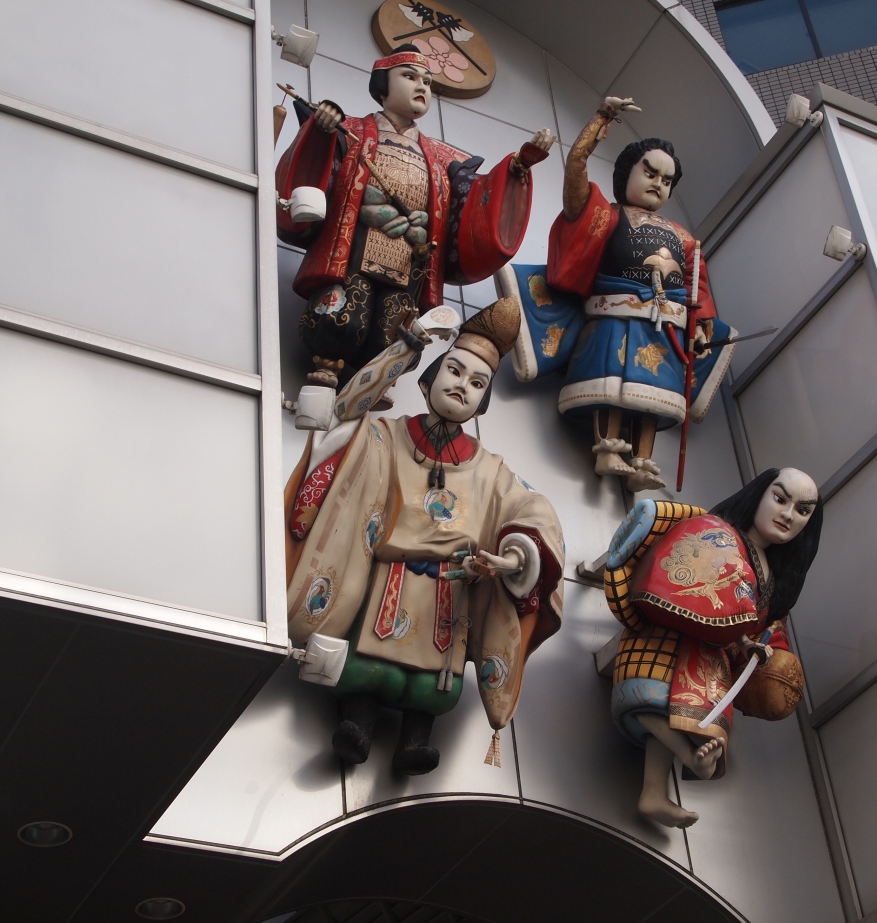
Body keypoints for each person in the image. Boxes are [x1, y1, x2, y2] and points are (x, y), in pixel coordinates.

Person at [283, 297, 564, 775]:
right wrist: (407, 346)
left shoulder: (491, 471)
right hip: (385, 576)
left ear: (482, 403)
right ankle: (357, 724)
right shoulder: (385, 436)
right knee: (367, 662)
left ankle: (415, 741)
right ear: (428, 379)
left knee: (435, 683)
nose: (462, 386)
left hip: (448, 591)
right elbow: (346, 410)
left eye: (477, 383)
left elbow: (531, 508)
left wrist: (519, 553)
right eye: (454, 371)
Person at [276, 44, 555, 393]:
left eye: (427, 81)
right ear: (382, 86)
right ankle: (327, 368)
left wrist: (518, 166)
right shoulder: (351, 132)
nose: (422, 86)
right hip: (354, 252)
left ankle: (376, 385)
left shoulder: (442, 158)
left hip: (409, 262)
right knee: (343, 318)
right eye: (409, 77)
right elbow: (316, 171)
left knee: (393, 333)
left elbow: (477, 198)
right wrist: (322, 130)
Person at [500, 97, 734, 491]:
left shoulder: (685, 238)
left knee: (652, 395)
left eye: (667, 180)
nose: (658, 184)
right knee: (610, 386)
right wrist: (602, 118)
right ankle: (607, 450)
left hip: (665, 328)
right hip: (613, 316)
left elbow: (699, 287)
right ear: (627, 173)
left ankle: (643, 462)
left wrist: (700, 326)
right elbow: (576, 167)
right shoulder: (604, 215)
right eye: (650, 173)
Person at [602, 468, 822, 827]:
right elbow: (685, 581)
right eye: (780, 499)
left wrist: (755, 649)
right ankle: (687, 759)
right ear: (758, 495)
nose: (787, 514)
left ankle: (654, 791)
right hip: (667, 633)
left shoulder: (775, 580)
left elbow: (759, 628)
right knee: (653, 695)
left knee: (695, 715)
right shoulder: (716, 533)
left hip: (708, 660)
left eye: (802, 511)